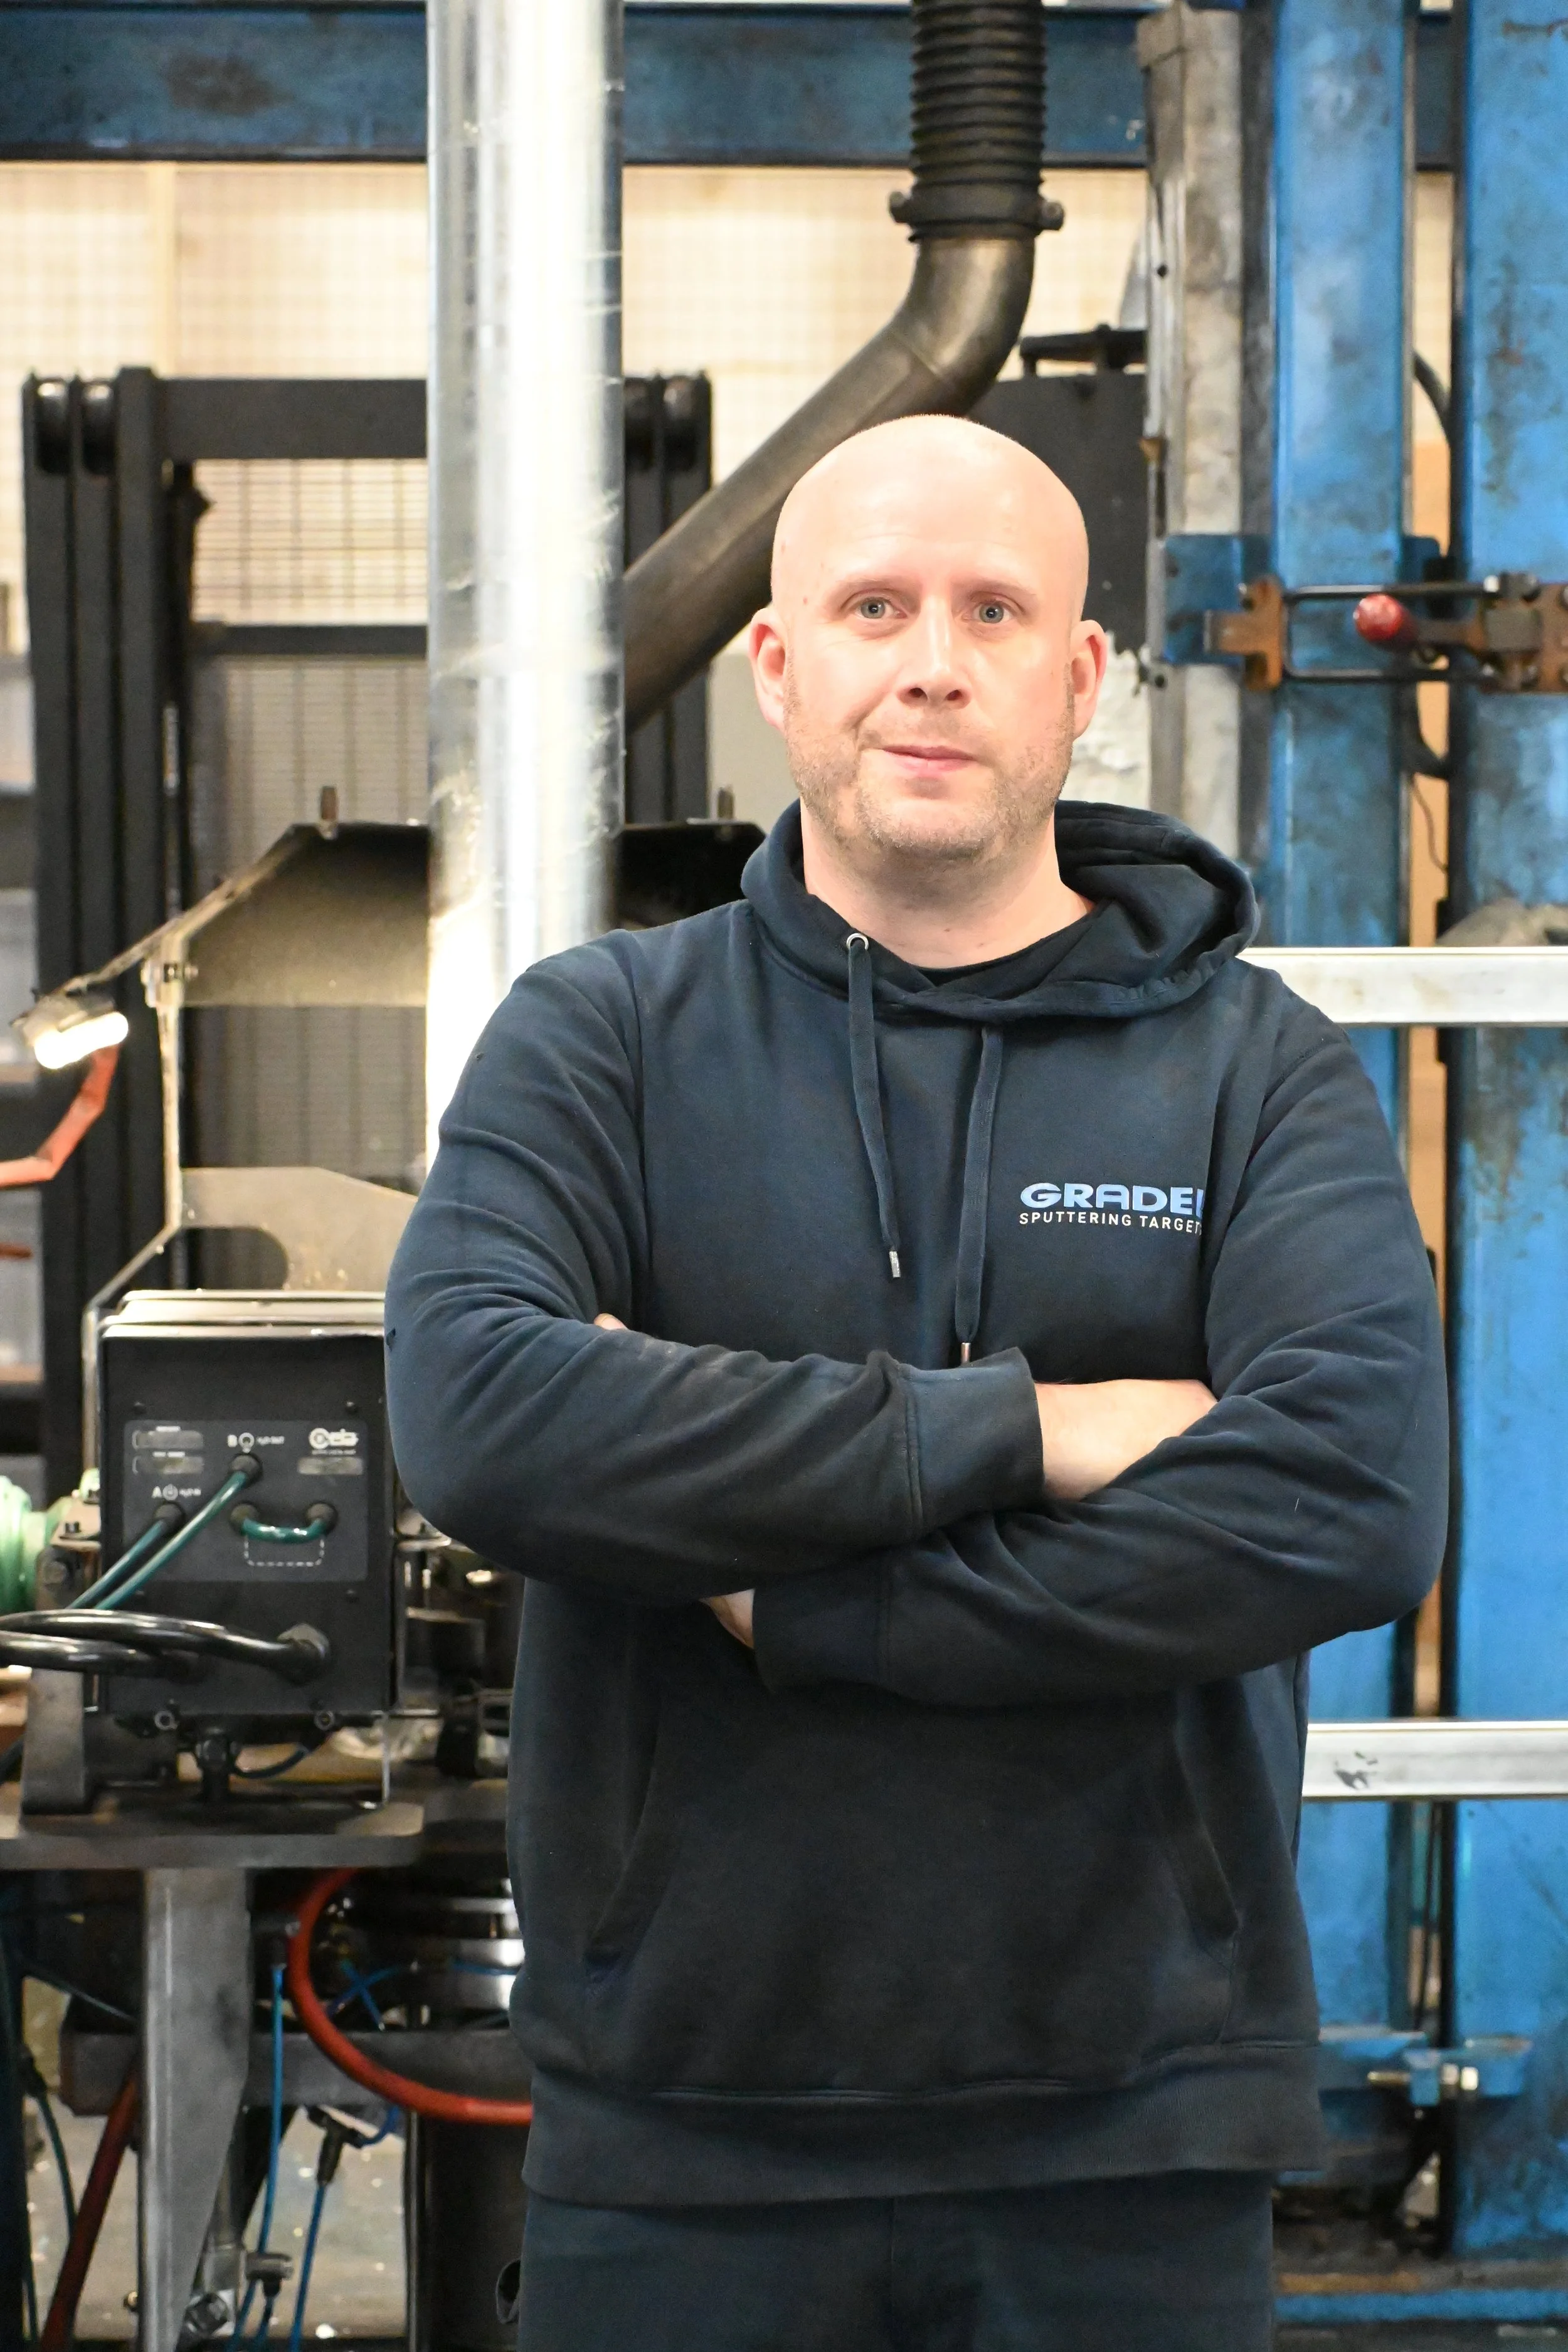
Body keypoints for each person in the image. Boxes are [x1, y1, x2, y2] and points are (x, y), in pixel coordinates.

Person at [386, 414, 1446, 2352]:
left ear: (1081, 674)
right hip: (681, 2137)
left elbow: (1344, 1499)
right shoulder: (603, 1042)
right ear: (779, 662)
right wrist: (1028, 1426)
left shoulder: (1252, 1071)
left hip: (1130, 2139)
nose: (932, 659)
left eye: (991, 607)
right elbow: (483, 1410)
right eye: (872, 604)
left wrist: (787, 1593)